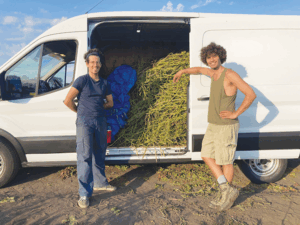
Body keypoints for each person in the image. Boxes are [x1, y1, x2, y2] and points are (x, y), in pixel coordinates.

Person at [173, 42, 256, 211]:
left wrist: (235, 113)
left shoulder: (230, 74)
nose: (211, 60)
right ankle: (226, 189)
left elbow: (250, 94)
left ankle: (227, 196)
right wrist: (182, 71)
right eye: (208, 58)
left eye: (214, 57)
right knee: (206, 155)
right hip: (213, 125)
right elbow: (197, 70)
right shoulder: (213, 74)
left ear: (220, 57)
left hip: (226, 126)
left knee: (226, 161)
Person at [64, 48, 116, 209]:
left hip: (100, 121)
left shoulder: (104, 83)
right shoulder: (82, 80)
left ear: (100, 64)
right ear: (87, 64)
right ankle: (84, 194)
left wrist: (100, 107)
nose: (95, 65)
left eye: (97, 62)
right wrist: (80, 112)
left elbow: (111, 103)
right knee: (85, 156)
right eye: (92, 62)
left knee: (99, 152)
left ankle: (100, 182)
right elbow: (68, 100)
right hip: (84, 122)